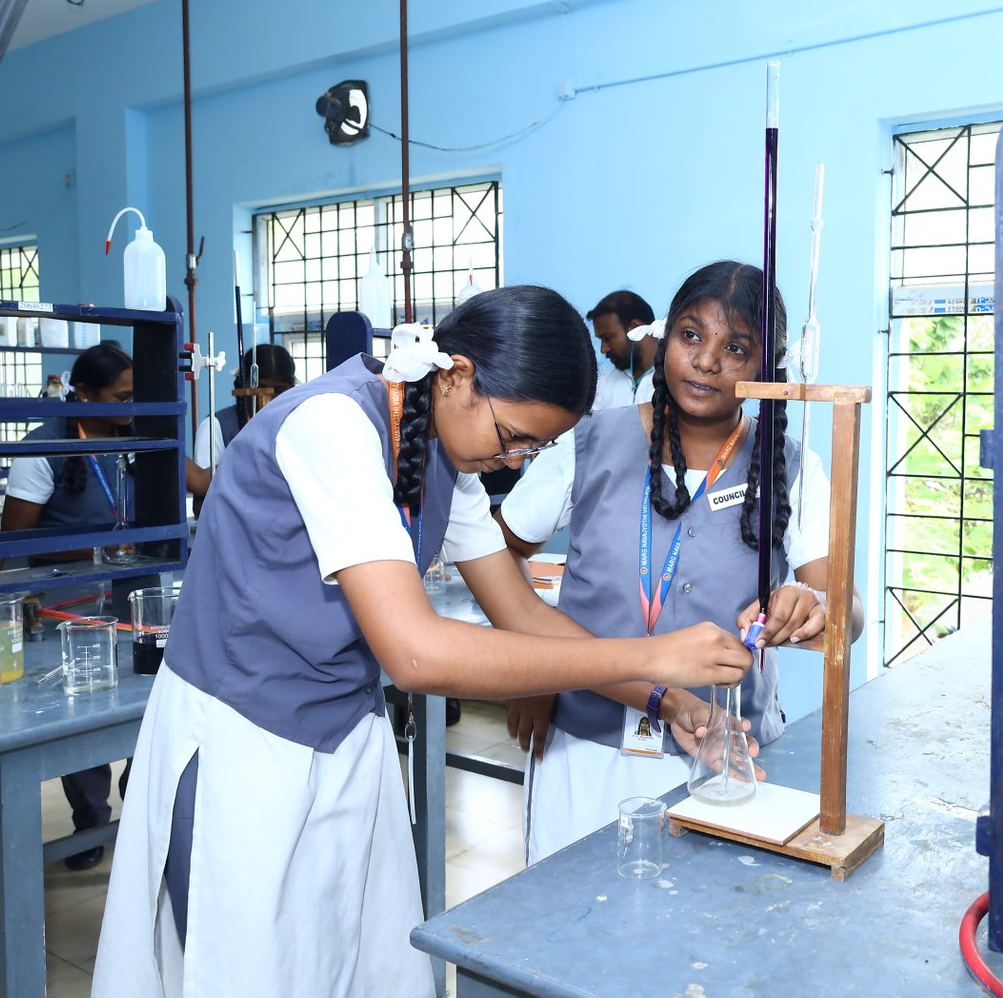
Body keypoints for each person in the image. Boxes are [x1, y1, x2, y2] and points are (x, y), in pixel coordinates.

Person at [92, 285, 751, 997]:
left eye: (534, 448)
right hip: (246, 745)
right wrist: (649, 653)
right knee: (253, 969)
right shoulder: (332, 426)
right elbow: (415, 653)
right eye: (512, 439)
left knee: (352, 964)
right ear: (459, 376)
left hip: (342, 735)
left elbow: (523, 614)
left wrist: (668, 697)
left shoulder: (442, 449)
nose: (512, 462)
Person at [497, 260, 865, 864]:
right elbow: (501, 553)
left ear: (766, 369)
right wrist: (534, 670)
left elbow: (845, 614)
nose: (707, 361)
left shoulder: (792, 468)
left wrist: (819, 608)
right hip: (583, 746)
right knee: (564, 925)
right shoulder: (590, 443)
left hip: (722, 758)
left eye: (736, 347)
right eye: (691, 336)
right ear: (665, 339)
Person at [1, 341, 135, 871]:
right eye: (119, 397)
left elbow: (198, 480)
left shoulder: (138, 436)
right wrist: (100, 548)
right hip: (68, 600)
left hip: (129, 594)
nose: (130, 407)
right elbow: (17, 539)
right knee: (82, 708)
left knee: (138, 705)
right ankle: (90, 822)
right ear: (82, 393)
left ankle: (140, 801)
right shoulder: (45, 446)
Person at [184, 343, 297, 508]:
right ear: (243, 386)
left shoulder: (298, 424)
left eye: (279, 390)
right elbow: (201, 503)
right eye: (260, 389)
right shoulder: (216, 426)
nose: (268, 399)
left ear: (292, 387)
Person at [587, 289, 658, 411]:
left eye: (608, 338)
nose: (603, 349)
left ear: (636, 328)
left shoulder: (675, 377)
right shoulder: (603, 384)